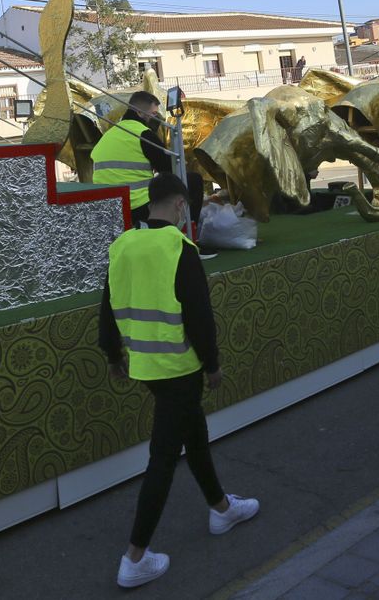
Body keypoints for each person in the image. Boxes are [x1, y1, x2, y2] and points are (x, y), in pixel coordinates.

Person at [99, 175, 259, 587]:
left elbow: (107, 308)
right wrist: (213, 365)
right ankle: (134, 557)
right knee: (164, 458)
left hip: (144, 367)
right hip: (179, 368)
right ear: (179, 206)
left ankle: (222, 508)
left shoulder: (121, 246)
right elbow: (199, 318)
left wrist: (113, 356)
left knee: (196, 434)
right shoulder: (179, 248)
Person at [93, 92, 172, 225]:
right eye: (153, 114)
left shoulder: (109, 135)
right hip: (138, 205)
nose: (156, 118)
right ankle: (181, 235)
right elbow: (169, 169)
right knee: (192, 181)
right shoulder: (144, 134)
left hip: (107, 206)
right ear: (139, 113)